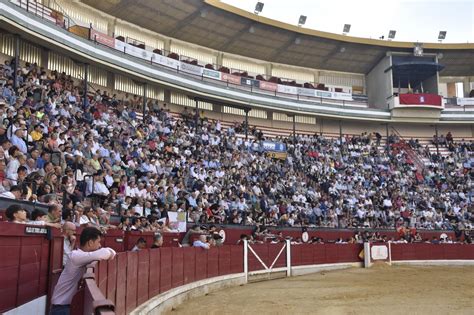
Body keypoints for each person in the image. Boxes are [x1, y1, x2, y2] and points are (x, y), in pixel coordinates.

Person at [50, 227, 116, 315]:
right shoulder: (76, 256)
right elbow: (107, 253)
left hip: (65, 305)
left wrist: (110, 252)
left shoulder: (80, 255)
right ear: (90, 242)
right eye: (98, 242)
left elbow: (110, 252)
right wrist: (110, 252)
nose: (100, 245)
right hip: (62, 307)